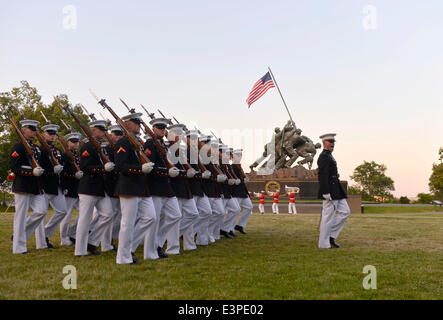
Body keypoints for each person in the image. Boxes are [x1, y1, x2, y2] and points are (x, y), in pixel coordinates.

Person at [114, 113, 157, 264]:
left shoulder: (137, 142)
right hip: (129, 186)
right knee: (127, 223)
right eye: (135, 122)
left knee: (150, 217)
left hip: (141, 187)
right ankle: (122, 257)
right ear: (127, 124)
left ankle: (129, 248)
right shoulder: (123, 143)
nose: (139, 125)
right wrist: (140, 169)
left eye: (139, 123)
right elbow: (120, 166)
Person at [74, 119, 115, 256]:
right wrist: (102, 168)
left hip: (100, 187)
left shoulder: (100, 146)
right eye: (101, 130)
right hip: (88, 187)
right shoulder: (87, 146)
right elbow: (84, 167)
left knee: (108, 215)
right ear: (93, 130)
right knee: (85, 219)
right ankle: (79, 250)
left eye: (104, 130)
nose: (104, 132)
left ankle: (91, 242)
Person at [143, 117, 181, 258]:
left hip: (166, 186)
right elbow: (150, 166)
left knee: (176, 215)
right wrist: (166, 172)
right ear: (153, 129)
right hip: (155, 186)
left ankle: (158, 243)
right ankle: (150, 252)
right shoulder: (150, 144)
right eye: (159, 128)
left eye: (163, 128)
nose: (162, 130)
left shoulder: (163, 145)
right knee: (155, 220)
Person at [10, 119, 46, 254]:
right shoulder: (18, 147)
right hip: (23, 185)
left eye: (35, 129)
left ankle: (19, 235)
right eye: (31, 129)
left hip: (36, 186)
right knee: (20, 216)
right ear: (23, 130)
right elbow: (14, 167)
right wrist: (31, 172)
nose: (33, 132)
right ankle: (19, 248)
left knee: (41, 211)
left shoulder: (36, 148)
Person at [34, 123, 66, 249]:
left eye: (54, 134)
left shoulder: (57, 151)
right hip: (45, 184)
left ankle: (46, 234)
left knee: (62, 211)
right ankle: (41, 244)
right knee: (42, 215)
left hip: (56, 186)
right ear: (44, 134)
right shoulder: (39, 150)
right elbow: (39, 167)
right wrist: (53, 170)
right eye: (49, 134)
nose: (52, 136)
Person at [317, 133, 350, 249]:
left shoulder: (329, 156)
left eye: (333, 142)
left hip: (336, 190)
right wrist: (325, 192)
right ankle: (323, 243)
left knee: (345, 212)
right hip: (329, 191)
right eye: (330, 142)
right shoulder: (323, 157)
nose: (332, 144)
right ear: (324, 143)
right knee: (327, 217)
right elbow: (322, 176)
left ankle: (331, 235)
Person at [59, 131, 83, 246]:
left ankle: (72, 233)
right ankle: (63, 238)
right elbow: (62, 173)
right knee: (66, 215)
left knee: (83, 213)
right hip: (69, 188)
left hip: (79, 189)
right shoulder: (64, 156)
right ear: (68, 142)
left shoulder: (78, 156)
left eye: (77, 142)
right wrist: (64, 187)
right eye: (73, 142)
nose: (75, 144)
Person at [231, 149, 253, 235]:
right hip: (236, 191)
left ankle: (240, 225)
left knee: (249, 207)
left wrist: (245, 178)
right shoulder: (231, 167)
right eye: (237, 155)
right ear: (233, 156)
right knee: (235, 210)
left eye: (240, 155)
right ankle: (230, 229)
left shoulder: (239, 166)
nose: (239, 157)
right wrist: (242, 179)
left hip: (242, 191)